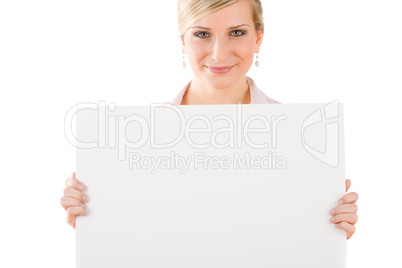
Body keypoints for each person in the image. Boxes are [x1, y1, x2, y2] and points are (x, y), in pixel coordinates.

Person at [60, 0, 359, 239]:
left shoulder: (303, 139)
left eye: (237, 32)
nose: (219, 54)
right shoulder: (132, 141)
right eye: (202, 34)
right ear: (183, 42)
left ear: (258, 38)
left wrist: (327, 228)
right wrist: (95, 223)